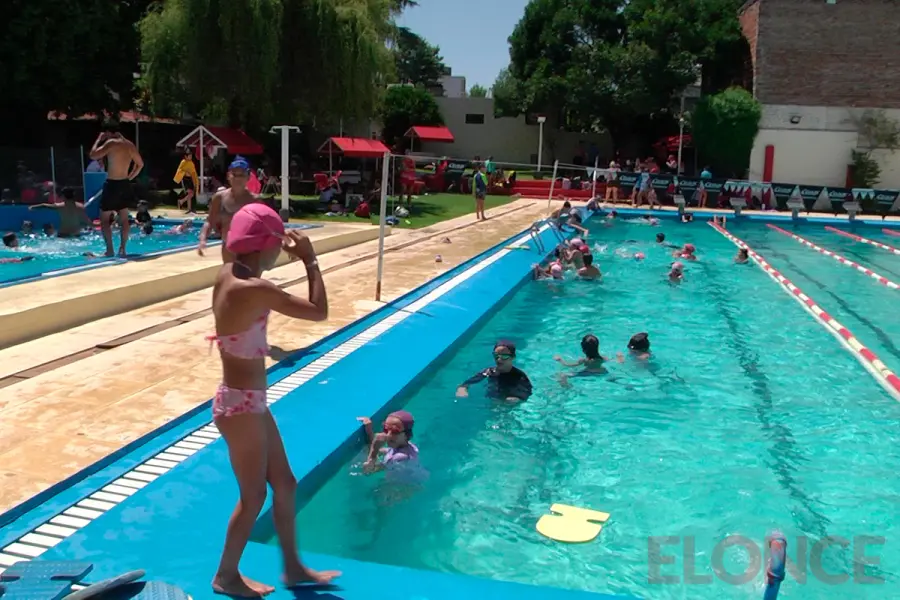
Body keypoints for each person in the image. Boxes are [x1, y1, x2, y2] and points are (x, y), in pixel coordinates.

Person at [207, 203, 339, 596]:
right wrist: (310, 261)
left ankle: (294, 567)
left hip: (246, 402)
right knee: (254, 497)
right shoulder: (255, 288)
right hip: (240, 405)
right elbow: (319, 312)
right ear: (265, 245)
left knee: (285, 483)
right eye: (277, 244)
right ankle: (226, 575)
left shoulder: (228, 273)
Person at [89, 120, 143, 256]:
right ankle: (123, 249)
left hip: (112, 183)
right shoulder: (129, 145)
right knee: (124, 219)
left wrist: (98, 140)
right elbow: (140, 164)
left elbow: (93, 155)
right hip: (124, 183)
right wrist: (130, 177)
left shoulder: (111, 143)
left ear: (108, 133)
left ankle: (110, 250)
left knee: (104, 219)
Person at [200, 157, 259, 262]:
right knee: (229, 275)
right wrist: (203, 240)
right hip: (228, 247)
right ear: (228, 176)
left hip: (249, 249)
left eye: (241, 175)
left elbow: (269, 225)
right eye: (234, 175)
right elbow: (210, 220)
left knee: (247, 276)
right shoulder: (219, 198)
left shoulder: (255, 200)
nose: (237, 179)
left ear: (248, 177)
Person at [456, 340, 533, 401]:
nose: (499, 359)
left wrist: (517, 399)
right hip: (492, 399)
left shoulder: (519, 376)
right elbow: (469, 382)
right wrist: (462, 388)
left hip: (508, 403)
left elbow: (528, 392)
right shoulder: (489, 372)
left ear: (513, 357)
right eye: (496, 355)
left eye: (504, 356)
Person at [28, 188, 93, 237]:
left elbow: (44, 205)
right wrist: (95, 225)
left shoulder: (60, 206)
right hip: (75, 234)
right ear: (74, 196)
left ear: (63, 196)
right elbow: (86, 220)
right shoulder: (81, 207)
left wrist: (33, 207)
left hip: (63, 234)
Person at [174, 148, 198, 213]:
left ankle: (189, 209)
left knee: (190, 194)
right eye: (189, 156)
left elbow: (193, 172)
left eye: (191, 156)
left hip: (190, 179)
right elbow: (179, 170)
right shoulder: (183, 162)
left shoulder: (191, 163)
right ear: (185, 156)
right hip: (185, 180)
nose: (191, 157)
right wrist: (185, 172)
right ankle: (181, 201)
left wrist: (195, 181)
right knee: (191, 194)